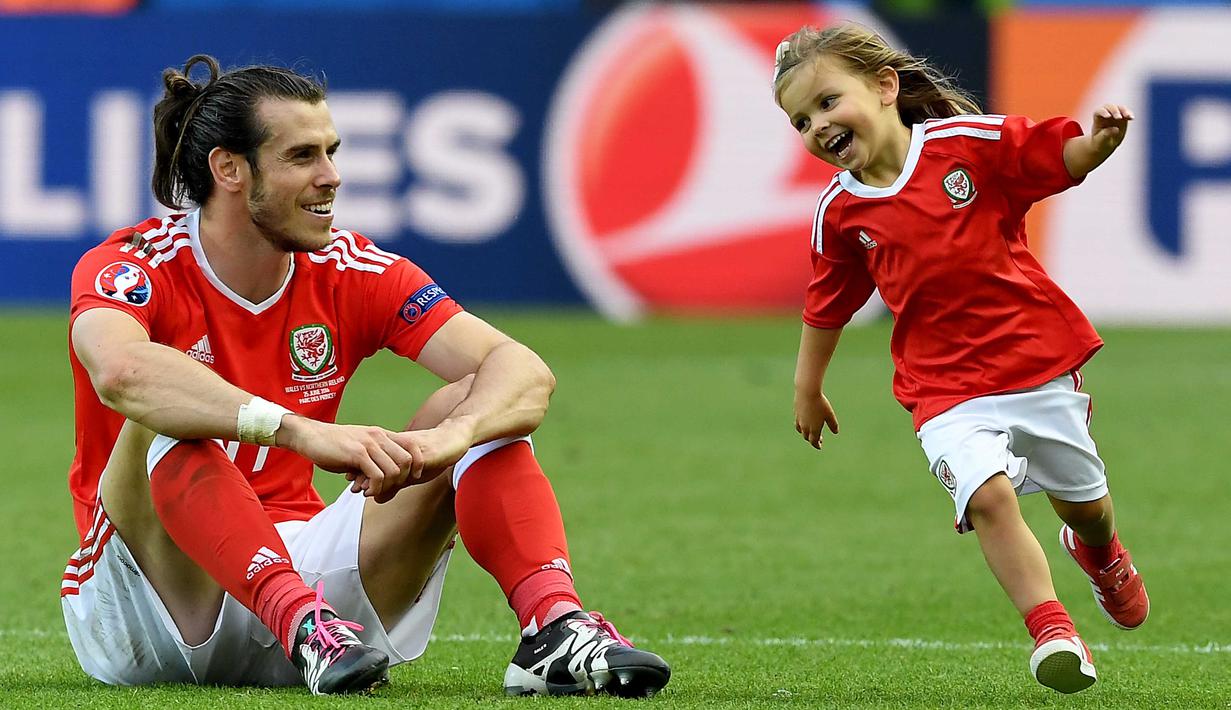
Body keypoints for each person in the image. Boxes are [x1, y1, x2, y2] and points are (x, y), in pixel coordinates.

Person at [61, 54, 670, 698]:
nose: (332, 177)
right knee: (164, 419)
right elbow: (123, 371)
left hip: (317, 604)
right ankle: (296, 618)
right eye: (302, 156)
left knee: (478, 399)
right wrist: (295, 431)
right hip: (151, 604)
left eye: (332, 152)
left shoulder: (353, 268)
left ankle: (554, 628)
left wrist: (451, 441)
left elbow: (523, 372)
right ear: (229, 169)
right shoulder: (132, 264)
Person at [774, 25, 1148, 694]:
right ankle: (1052, 631)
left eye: (828, 102)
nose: (816, 125)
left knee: (1083, 505)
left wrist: (1096, 145)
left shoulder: (965, 149)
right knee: (988, 497)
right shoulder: (840, 212)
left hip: (1034, 363)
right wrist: (807, 387)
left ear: (884, 88)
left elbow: (1049, 159)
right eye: (801, 119)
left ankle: (1100, 554)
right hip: (941, 387)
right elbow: (825, 303)